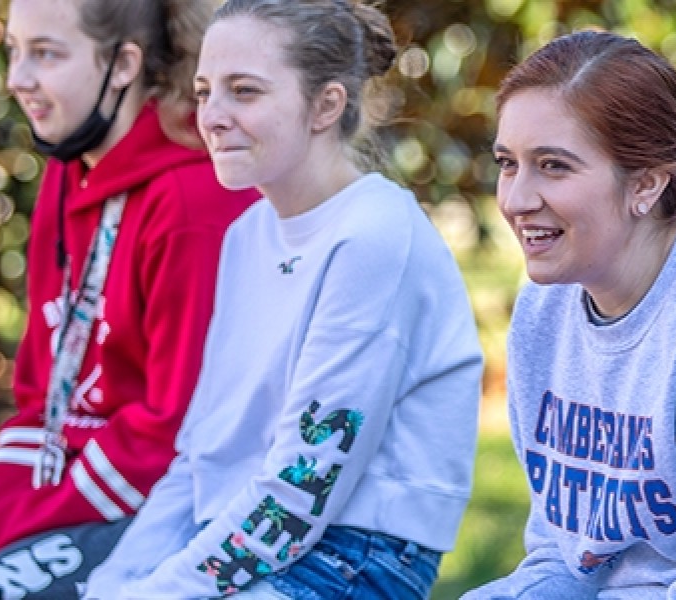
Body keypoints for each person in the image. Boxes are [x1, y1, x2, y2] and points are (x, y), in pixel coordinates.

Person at [0, 0, 258, 597]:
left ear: (124, 64)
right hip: (73, 490)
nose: (16, 79)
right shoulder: (71, 171)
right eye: (14, 51)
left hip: (161, 507)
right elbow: (44, 404)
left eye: (45, 54)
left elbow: (168, 435)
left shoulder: (193, 201)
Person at [82, 0, 483, 597]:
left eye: (244, 91)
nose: (211, 117)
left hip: (352, 558)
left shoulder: (373, 237)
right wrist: (114, 585)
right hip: (239, 533)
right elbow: (198, 455)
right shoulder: (247, 234)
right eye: (205, 91)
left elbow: (302, 486)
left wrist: (158, 592)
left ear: (326, 105)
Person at [464, 31, 676, 599]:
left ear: (645, 184)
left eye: (553, 166)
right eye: (508, 164)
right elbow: (563, 554)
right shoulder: (546, 307)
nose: (517, 200)